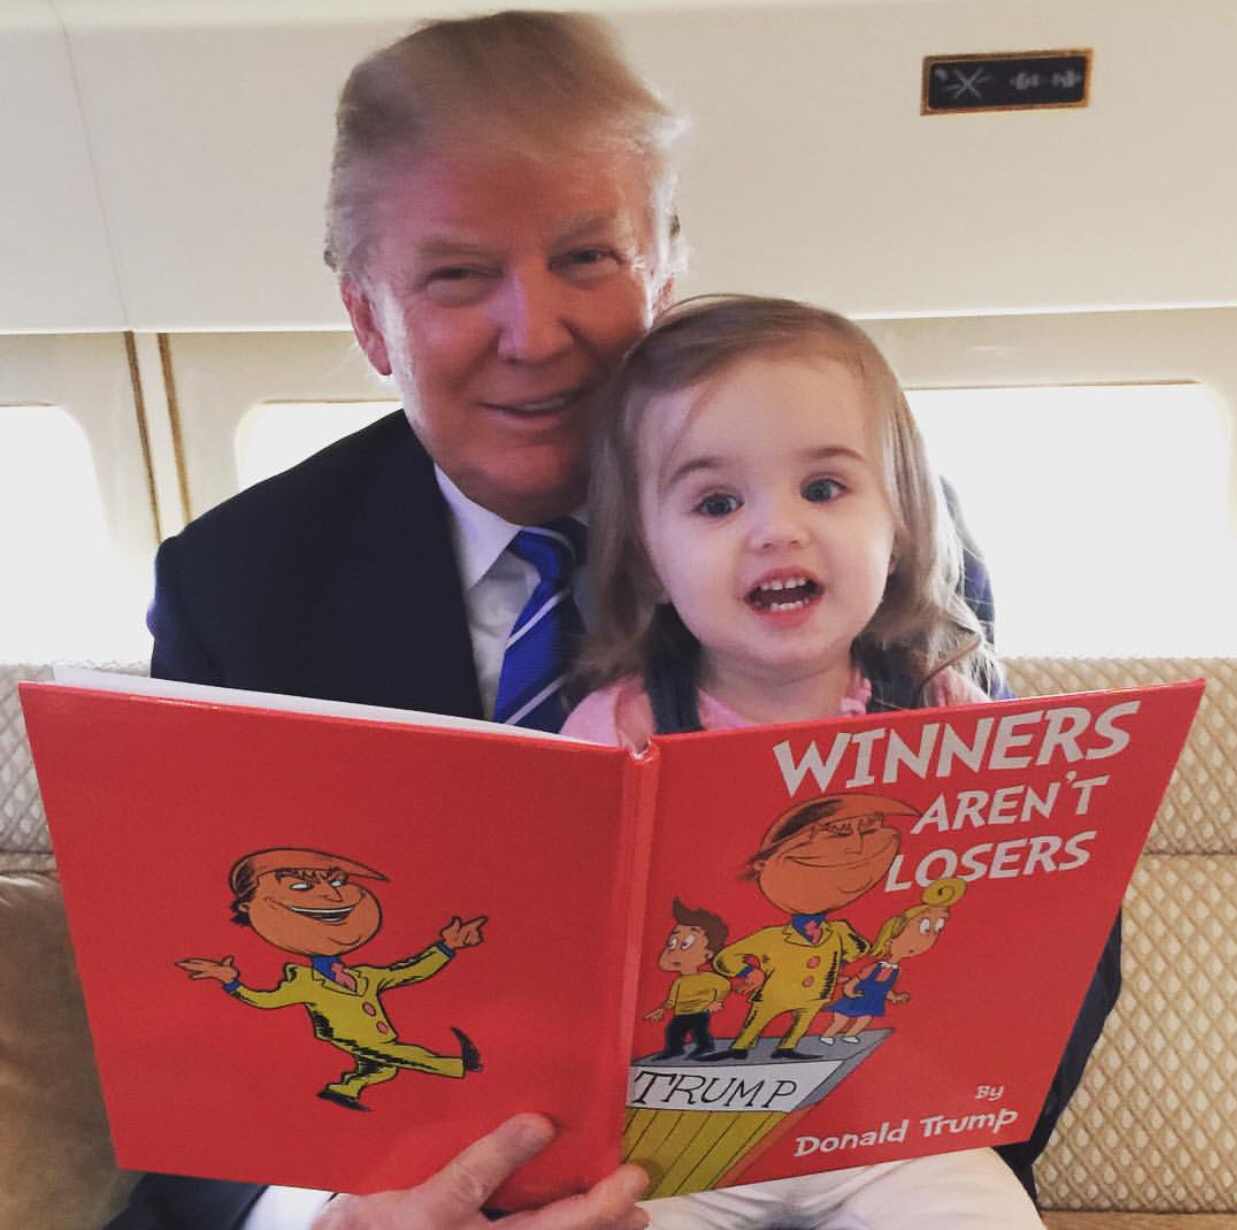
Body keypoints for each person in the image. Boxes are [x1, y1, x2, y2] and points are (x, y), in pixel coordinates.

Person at [108, 11, 1113, 1229]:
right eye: (457, 276)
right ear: (369, 317)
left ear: (663, 273)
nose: (536, 336)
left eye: (587, 257)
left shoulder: (871, 530)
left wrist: (878, 1155)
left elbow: (1033, 915)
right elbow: (182, 1018)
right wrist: (328, 1215)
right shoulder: (237, 584)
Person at [560, 293, 1044, 1228]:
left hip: (888, 1116)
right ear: (650, 560)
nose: (776, 529)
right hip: (677, 1130)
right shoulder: (617, 728)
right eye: (715, 503)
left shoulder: (944, 706)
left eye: (824, 489)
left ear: (900, 524)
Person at [644, 899, 730, 1059]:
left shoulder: (709, 978)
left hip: (699, 1012)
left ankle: (705, 1046)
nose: (674, 951)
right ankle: (674, 1049)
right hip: (681, 1013)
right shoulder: (679, 982)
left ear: (707, 954)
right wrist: (661, 1010)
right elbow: (671, 1000)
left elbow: (724, 985)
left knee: (699, 1031)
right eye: (671, 944)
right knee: (673, 1030)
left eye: (685, 945)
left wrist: (717, 1002)